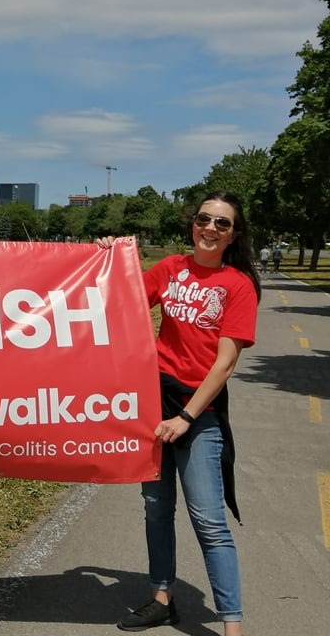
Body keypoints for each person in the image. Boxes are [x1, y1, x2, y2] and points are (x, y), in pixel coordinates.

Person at [98, 191, 260, 635]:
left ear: (233, 235)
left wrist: (186, 417)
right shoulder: (171, 269)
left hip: (198, 412)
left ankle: (232, 627)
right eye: (204, 219)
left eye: (222, 223)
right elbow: (120, 299)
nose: (210, 228)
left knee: (208, 520)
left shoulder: (238, 286)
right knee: (156, 507)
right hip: (154, 402)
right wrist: (109, 257)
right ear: (193, 223)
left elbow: (224, 364)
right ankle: (162, 599)